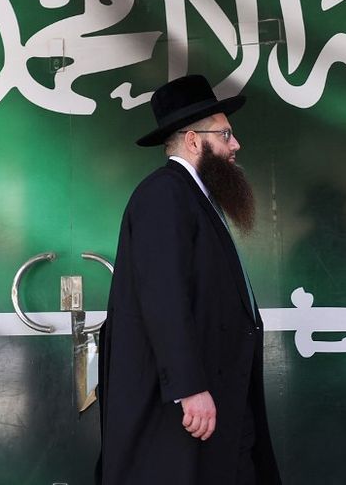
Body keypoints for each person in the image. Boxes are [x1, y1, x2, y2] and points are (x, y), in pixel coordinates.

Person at [95, 75, 281, 485]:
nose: (236, 145)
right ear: (194, 141)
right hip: (186, 403)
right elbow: (163, 297)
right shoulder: (164, 193)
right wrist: (189, 387)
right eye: (226, 134)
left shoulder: (194, 195)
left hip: (220, 391)